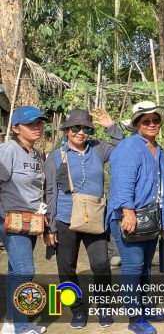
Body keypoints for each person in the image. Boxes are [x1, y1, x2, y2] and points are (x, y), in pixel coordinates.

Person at [43, 108, 123, 329]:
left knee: (101, 264)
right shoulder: (56, 155)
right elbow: (50, 192)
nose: (80, 132)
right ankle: (77, 310)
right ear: (67, 130)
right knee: (66, 268)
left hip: (95, 217)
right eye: (75, 128)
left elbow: (125, 149)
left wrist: (111, 127)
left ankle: (104, 309)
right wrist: (50, 226)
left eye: (86, 128)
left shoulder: (98, 149)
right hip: (65, 218)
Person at [107, 101, 164, 334]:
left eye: (155, 120)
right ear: (136, 124)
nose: (152, 124)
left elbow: (163, 188)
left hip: (151, 218)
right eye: (146, 121)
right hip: (130, 216)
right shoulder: (128, 147)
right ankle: (134, 317)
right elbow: (122, 182)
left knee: (145, 268)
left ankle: (144, 307)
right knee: (133, 267)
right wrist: (128, 212)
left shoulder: (158, 150)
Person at [0, 106, 49, 334]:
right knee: (25, 271)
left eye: (39, 123)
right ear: (16, 128)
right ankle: (22, 327)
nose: (37, 127)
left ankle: (11, 322)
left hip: (31, 223)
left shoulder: (37, 154)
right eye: (31, 124)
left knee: (15, 272)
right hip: (11, 222)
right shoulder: (8, 150)